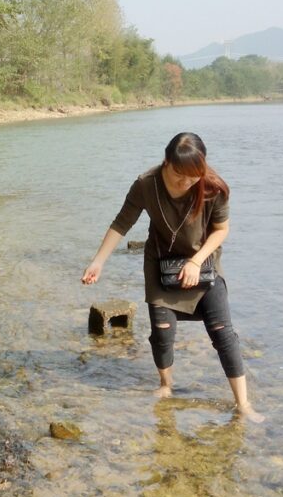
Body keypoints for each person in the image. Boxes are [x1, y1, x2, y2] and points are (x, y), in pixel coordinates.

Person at [81, 132, 264, 423]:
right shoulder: (146, 184)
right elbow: (121, 223)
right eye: (180, 175)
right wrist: (98, 261)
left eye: (193, 177)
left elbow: (221, 230)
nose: (186, 183)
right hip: (160, 264)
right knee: (163, 331)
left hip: (202, 262)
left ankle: (243, 404)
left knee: (222, 332)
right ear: (166, 162)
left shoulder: (213, 188)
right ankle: (166, 386)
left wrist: (195, 260)